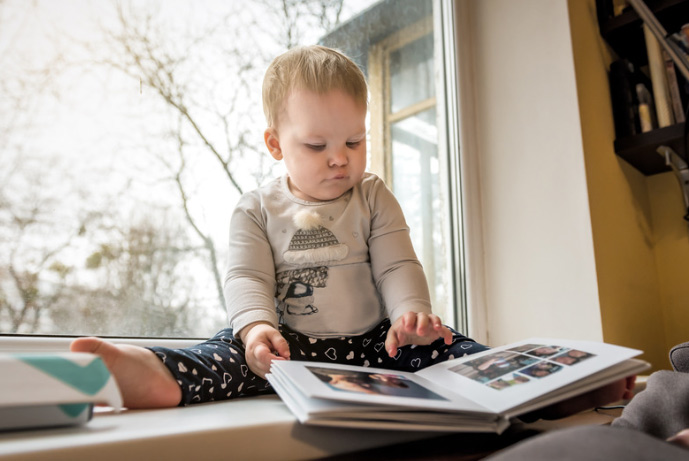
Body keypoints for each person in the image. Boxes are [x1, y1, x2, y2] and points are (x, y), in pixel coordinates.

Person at [71, 45, 634, 415]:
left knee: (461, 356)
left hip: (378, 345)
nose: (339, 160)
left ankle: (559, 391)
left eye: (354, 142)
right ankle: (143, 373)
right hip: (288, 349)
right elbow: (245, 276)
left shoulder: (371, 196)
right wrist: (255, 330)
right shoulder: (254, 209)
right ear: (276, 144)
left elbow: (396, 263)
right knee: (219, 357)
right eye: (317, 146)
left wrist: (411, 315)